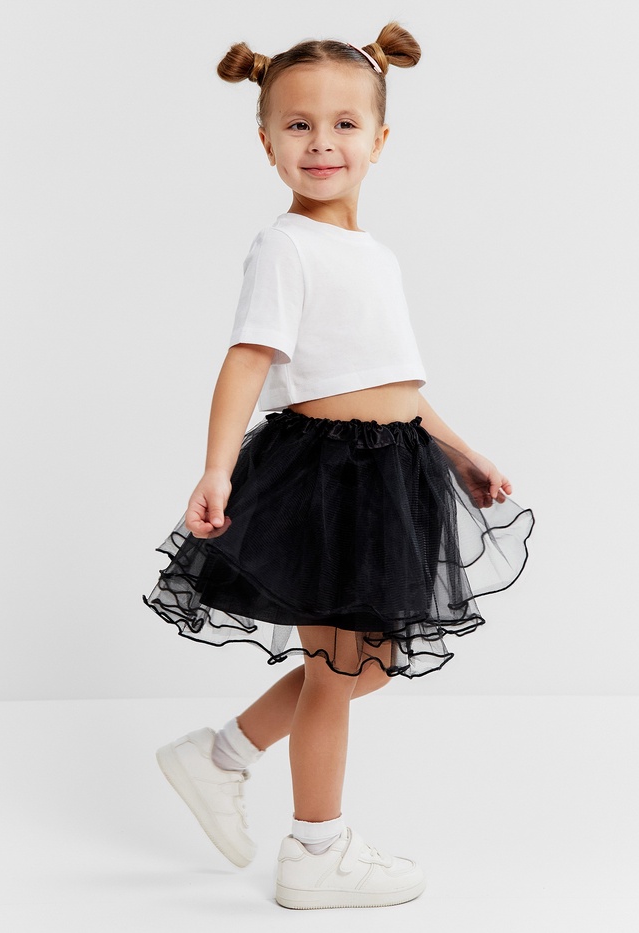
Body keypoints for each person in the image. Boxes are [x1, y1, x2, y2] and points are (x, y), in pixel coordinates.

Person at [142, 21, 534, 910]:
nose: (322, 142)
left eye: (344, 124)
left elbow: (394, 382)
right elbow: (247, 357)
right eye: (299, 125)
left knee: (370, 662)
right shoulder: (286, 245)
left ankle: (221, 755)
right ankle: (315, 849)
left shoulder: (374, 255)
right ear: (267, 143)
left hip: (394, 470)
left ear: (380, 139)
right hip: (328, 477)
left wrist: (459, 451)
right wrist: (216, 469)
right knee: (341, 669)